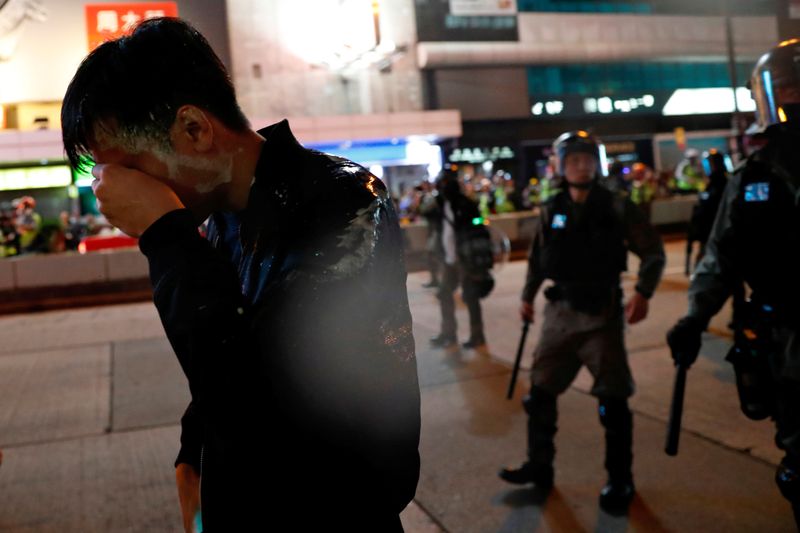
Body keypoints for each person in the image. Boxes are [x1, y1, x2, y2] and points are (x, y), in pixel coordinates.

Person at [60, 17, 420, 532]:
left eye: (124, 169)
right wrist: (193, 451)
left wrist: (166, 233)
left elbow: (270, 407)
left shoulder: (342, 202)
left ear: (194, 129)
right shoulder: (223, 215)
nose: (109, 189)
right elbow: (226, 352)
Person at [667, 39, 800, 529]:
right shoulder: (749, 179)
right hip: (784, 340)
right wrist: (694, 316)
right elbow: (721, 256)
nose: (791, 97)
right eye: (784, 88)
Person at [498, 131, 666, 516]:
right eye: (573, 159)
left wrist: (644, 291)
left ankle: (620, 479)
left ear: (597, 163)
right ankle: (539, 467)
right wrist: (526, 295)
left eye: (587, 158)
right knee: (539, 395)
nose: (581, 165)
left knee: (613, 401)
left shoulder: (617, 206)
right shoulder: (550, 205)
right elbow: (540, 257)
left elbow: (653, 251)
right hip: (559, 314)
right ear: (560, 165)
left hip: (602, 316)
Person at [429, 168, 491, 350]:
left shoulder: (466, 204)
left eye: (447, 184)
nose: (445, 188)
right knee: (444, 294)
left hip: (466, 260)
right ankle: (448, 333)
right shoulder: (439, 206)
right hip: (449, 259)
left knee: (471, 297)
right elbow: (427, 215)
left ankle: (477, 335)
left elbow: (479, 226)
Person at [686, 149, 730, 273]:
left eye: (710, 163)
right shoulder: (711, 183)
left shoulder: (723, 183)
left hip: (717, 232)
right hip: (708, 232)